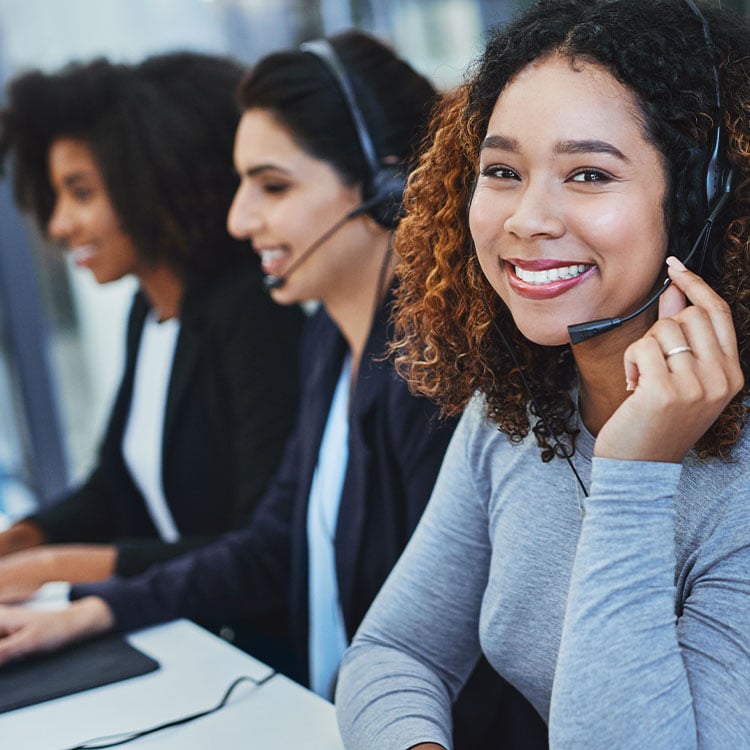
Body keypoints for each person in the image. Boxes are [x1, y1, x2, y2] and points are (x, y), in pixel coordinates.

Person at [0, 30, 548, 748]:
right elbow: (272, 542)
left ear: (387, 185)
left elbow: (468, 660)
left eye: (273, 186)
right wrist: (91, 608)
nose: (239, 218)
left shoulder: (439, 381)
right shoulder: (329, 339)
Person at [335, 0, 750, 747]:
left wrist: (632, 474)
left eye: (588, 173)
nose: (527, 218)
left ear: (702, 200)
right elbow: (395, 653)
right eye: (502, 171)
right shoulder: (521, 416)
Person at [0, 52, 304, 597]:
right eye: (56, 195)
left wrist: (49, 568)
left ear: (157, 180)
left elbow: (261, 550)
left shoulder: (254, 315)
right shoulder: (152, 312)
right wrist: (19, 542)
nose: (58, 224)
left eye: (82, 192)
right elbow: (113, 490)